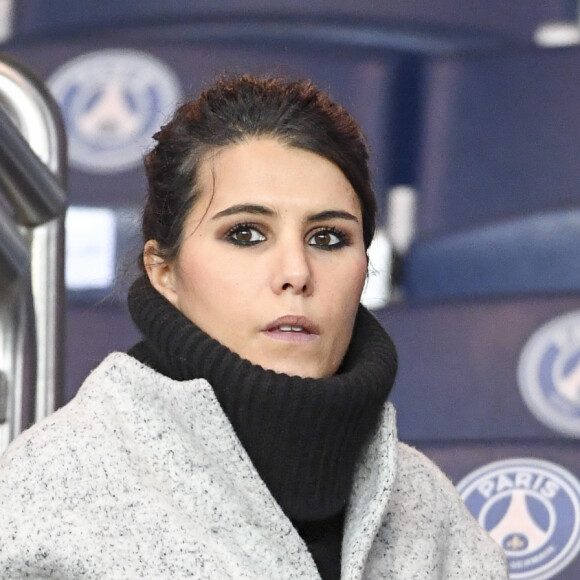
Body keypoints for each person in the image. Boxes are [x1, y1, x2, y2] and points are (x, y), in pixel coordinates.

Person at [0, 75, 508, 579]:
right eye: (246, 234)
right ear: (164, 272)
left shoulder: (427, 503)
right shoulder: (48, 493)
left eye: (329, 238)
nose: (296, 273)